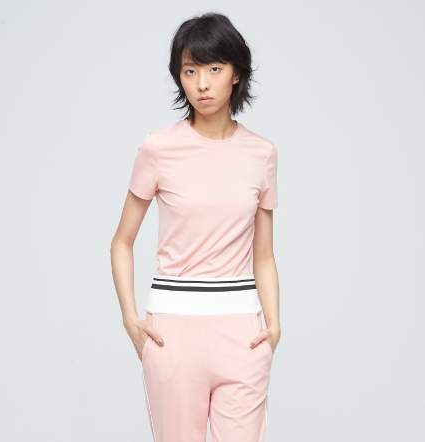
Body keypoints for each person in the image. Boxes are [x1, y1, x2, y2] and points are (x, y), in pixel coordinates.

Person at [110, 12, 281, 442]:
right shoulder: (159, 148)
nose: (202, 84)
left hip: (241, 333)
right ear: (179, 78)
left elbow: (263, 254)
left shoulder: (262, 153)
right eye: (190, 71)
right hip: (173, 333)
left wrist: (274, 325)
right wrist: (131, 318)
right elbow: (122, 241)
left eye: (214, 69)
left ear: (236, 73)